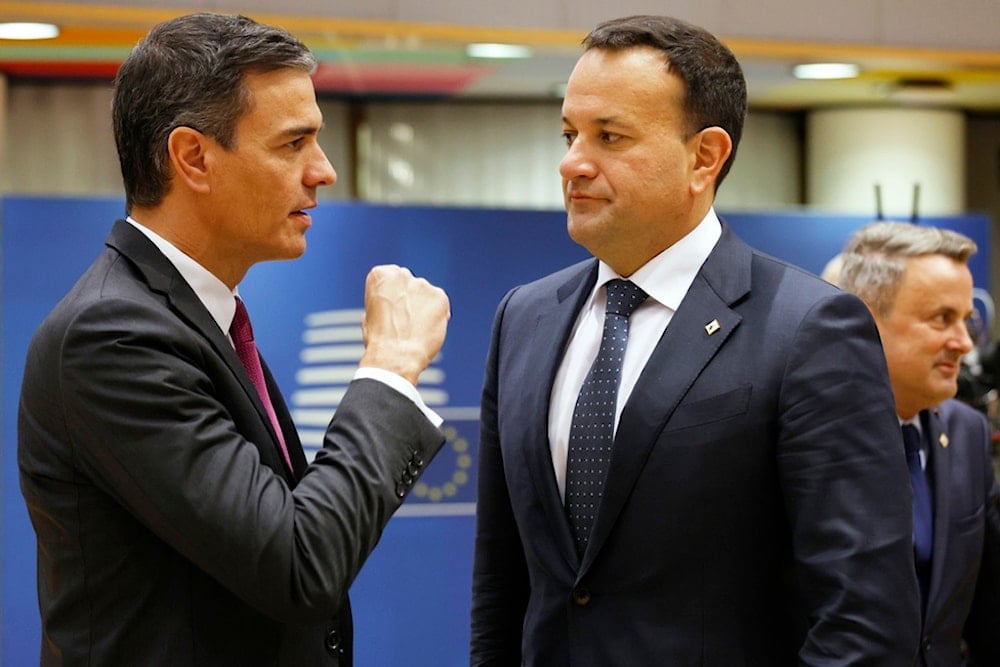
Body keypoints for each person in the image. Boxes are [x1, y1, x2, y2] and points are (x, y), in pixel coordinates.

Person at [470, 14, 921, 665]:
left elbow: (864, 616)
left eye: (609, 136)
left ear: (704, 157)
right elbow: (501, 586)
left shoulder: (809, 329)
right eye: (569, 134)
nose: (573, 162)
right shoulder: (524, 317)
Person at [17, 13, 450, 666]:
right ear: (193, 157)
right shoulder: (112, 337)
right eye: (292, 144)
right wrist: (389, 368)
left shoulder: (187, 317)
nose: (324, 171)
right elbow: (299, 565)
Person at [837, 221, 1000, 666]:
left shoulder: (967, 432)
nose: (964, 343)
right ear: (863, 319)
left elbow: (986, 604)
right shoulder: (805, 436)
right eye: (941, 319)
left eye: (966, 321)